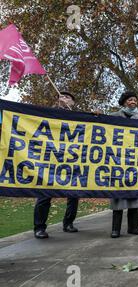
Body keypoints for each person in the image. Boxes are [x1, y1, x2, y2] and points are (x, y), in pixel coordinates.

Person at [33, 91, 80, 239]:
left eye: (68, 97)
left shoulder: (79, 118)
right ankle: (39, 227)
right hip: (50, 159)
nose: (64, 98)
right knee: (44, 194)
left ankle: (68, 223)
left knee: (74, 194)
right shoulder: (47, 114)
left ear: (73, 103)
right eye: (62, 96)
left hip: (71, 159)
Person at [109, 91, 138, 237]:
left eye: (135, 99)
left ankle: (133, 227)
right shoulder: (115, 116)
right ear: (124, 102)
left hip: (134, 160)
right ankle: (115, 229)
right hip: (118, 160)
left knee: (134, 195)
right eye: (130, 99)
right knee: (118, 196)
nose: (133, 102)